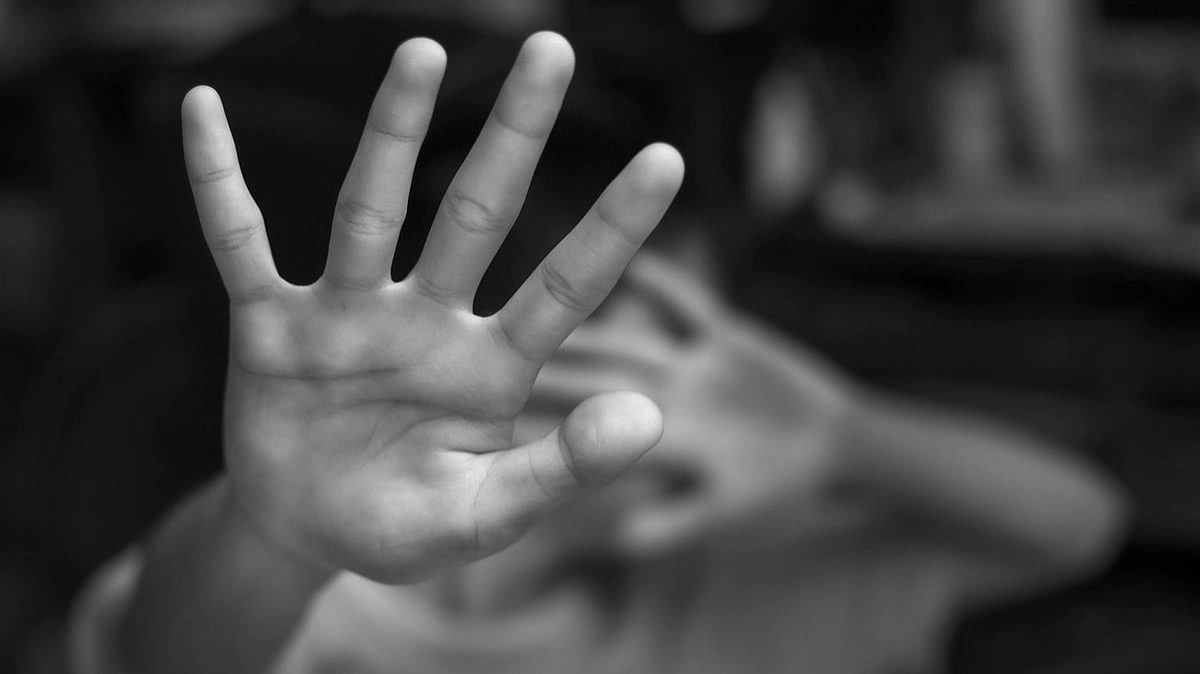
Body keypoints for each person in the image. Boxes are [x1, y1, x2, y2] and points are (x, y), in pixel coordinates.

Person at [70, 32, 1127, 674]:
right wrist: (277, 538)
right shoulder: (348, 592)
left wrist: (850, 435)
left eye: (709, 343)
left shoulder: (746, 569)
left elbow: (1078, 524)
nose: (676, 408)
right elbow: (161, 655)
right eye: (645, 344)